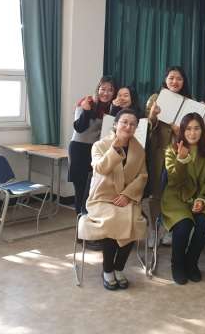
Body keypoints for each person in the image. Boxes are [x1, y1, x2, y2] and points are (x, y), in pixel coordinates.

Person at [80, 108, 148, 290]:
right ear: (116, 124)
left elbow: (142, 176)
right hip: (102, 198)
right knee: (112, 220)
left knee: (135, 220)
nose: (128, 126)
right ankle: (108, 269)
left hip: (127, 197)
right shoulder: (100, 145)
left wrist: (127, 195)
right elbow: (100, 168)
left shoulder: (139, 150)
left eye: (133, 124)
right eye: (124, 122)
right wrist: (115, 149)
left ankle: (119, 268)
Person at [162, 113, 205, 284]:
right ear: (182, 131)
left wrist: (202, 199)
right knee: (184, 224)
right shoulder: (171, 149)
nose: (192, 133)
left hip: (201, 196)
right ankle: (177, 264)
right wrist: (181, 159)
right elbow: (173, 180)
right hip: (176, 198)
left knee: (204, 221)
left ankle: (191, 262)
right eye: (188, 129)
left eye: (196, 129)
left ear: (202, 130)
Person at [145, 66, 191, 244]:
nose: (175, 82)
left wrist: (180, 131)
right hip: (159, 153)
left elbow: (194, 132)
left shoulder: (189, 102)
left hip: (179, 153)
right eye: (171, 78)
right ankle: (155, 230)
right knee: (156, 192)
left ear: (184, 82)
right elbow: (145, 129)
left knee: (175, 192)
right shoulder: (156, 99)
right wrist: (153, 116)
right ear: (165, 80)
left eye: (179, 78)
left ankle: (170, 227)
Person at [68, 75, 117, 215]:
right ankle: (79, 222)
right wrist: (86, 111)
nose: (106, 93)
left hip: (96, 151)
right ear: (98, 89)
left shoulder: (112, 109)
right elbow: (79, 127)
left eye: (110, 90)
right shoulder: (86, 102)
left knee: (93, 187)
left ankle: (89, 221)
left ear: (114, 93)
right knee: (80, 187)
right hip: (79, 148)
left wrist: (114, 109)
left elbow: (109, 132)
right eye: (103, 89)